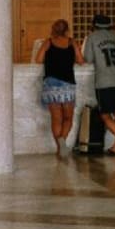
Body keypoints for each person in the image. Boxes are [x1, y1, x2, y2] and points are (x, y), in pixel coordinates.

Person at [82, 14, 115, 155]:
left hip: (104, 81)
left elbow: (88, 58)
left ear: (94, 25)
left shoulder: (92, 37)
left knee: (105, 115)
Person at [34, 19, 84, 156]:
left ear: (53, 29)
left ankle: (59, 148)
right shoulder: (72, 42)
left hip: (51, 84)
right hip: (68, 84)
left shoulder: (48, 42)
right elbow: (80, 60)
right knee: (68, 118)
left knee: (57, 119)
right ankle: (62, 143)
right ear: (67, 30)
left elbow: (38, 60)